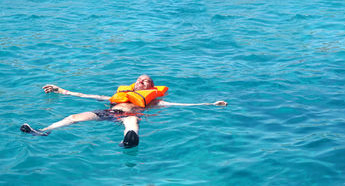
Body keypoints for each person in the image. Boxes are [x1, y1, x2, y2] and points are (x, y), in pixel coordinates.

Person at [20, 75, 228, 148]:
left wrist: (210, 104)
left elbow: (181, 105)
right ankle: (42, 131)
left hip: (131, 115)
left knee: (132, 123)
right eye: (138, 80)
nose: (141, 82)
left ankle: (130, 141)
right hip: (110, 112)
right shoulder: (118, 95)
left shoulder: (154, 102)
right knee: (74, 117)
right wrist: (61, 90)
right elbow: (88, 95)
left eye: (145, 81)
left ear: (151, 87)